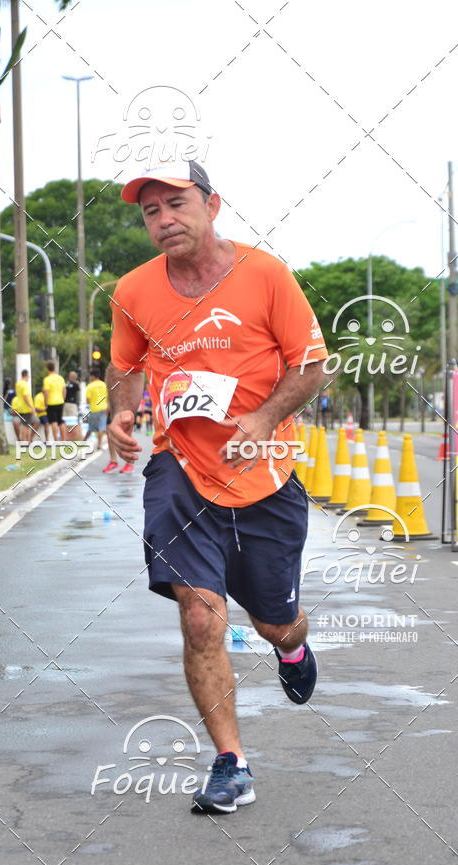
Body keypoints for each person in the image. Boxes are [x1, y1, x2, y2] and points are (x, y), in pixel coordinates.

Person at [106, 161, 328, 815]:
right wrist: (122, 413)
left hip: (264, 473)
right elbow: (126, 366)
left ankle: (292, 648)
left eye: (176, 203)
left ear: (212, 205)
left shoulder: (266, 274)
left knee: (273, 621)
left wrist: (262, 419)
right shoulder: (133, 290)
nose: (164, 219)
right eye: (151, 211)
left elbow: (311, 365)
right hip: (179, 471)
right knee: (201, 615)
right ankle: (232, 763)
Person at [11, 369, 38, 445]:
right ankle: (26, 442)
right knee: (26, 426)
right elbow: (26, 397)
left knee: (24, 425)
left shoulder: (18, 384)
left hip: (20, 407)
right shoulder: (25, 385)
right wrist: (31, 407)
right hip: (26, 408)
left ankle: (24, 441)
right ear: (26, 375)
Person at [84, 369, 109, 450]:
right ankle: (99, 444)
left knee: (91, 427)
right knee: (101, 427)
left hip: (94, 409)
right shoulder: (104, 385)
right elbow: (108, 397)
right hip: (104, 408)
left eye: (90, 376)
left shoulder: (90, 386)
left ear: (93, 376)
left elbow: (88, 400)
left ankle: (83, 441)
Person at [43, 360, 66, 442]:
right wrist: (62, 399)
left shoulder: (47, 379)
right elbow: (64, 390)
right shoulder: (60, 378)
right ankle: (63, 439)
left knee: (53, 421)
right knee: (60, 421)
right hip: (60, 401)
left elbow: (46, 392)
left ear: (47, 369)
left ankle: (56, 439)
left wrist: (45, 403)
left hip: (51, 402)